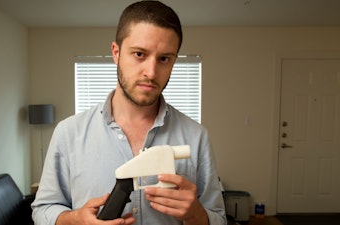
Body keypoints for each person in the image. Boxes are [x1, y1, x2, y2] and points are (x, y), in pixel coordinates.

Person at [31, 1, 226, 225]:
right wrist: (75, 220)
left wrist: (196, 215)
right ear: (116, 53)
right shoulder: (68, 133)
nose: (151, 73)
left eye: (164, 58)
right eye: (139, 54)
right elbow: (42, 210)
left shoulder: (196, 137)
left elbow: (219, 218)